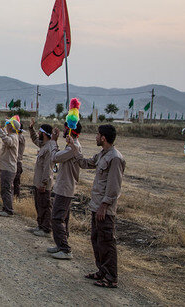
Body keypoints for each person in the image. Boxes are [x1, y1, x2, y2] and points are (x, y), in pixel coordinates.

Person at [70, 124, 125, 289]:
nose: (95, 137)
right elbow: (85, 163)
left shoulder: (115, 158)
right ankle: (102, 271)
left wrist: (104, 206)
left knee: (107, 242)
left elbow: (114, 187)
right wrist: (74, 148)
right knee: (96, 240)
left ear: (103, 138)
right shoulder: (103, 154)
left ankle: (111, 277)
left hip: (104, 209)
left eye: (97, 134)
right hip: (96, 206)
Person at [47, 122, 83, 260]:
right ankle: (60, 244)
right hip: (64, 186)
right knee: (62, 218)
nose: (62, 131)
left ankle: (65, 249)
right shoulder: (71, 146)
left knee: (56, 217)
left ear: (69, 131)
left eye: (65, 129)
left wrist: (54, 142)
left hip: (65, 187)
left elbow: (54, 157)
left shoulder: (72, 148)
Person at [28, 119, 56, 237]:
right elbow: (35, 139)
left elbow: (47, 168)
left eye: (40, 132)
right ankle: (40, 226)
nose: (38, 134)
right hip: (38, 182)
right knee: (39, 205)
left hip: (43, 183)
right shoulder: (44, 144)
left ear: (44, 134)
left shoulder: (49, 148)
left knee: (45, 205)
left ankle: (46, 229)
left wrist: (44, 183)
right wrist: (31, 129)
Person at [0, 118, 21, 216]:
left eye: (8, 123)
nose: (6, 124)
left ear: (11, 126)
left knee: (6, 189)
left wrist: (0, 131)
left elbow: (8, 141)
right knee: (5, 188)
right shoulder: (12, 135)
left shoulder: (13, 137)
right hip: (6, 167)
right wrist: (2, 131)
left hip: (8, 168)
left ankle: (8, 210)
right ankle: (5, 208)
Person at [13, 123, 26, 198]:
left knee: (16, 181)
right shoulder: (20, 136)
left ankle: (16, 196)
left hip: (17, 161)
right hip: (17, 161)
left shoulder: (19, 137)